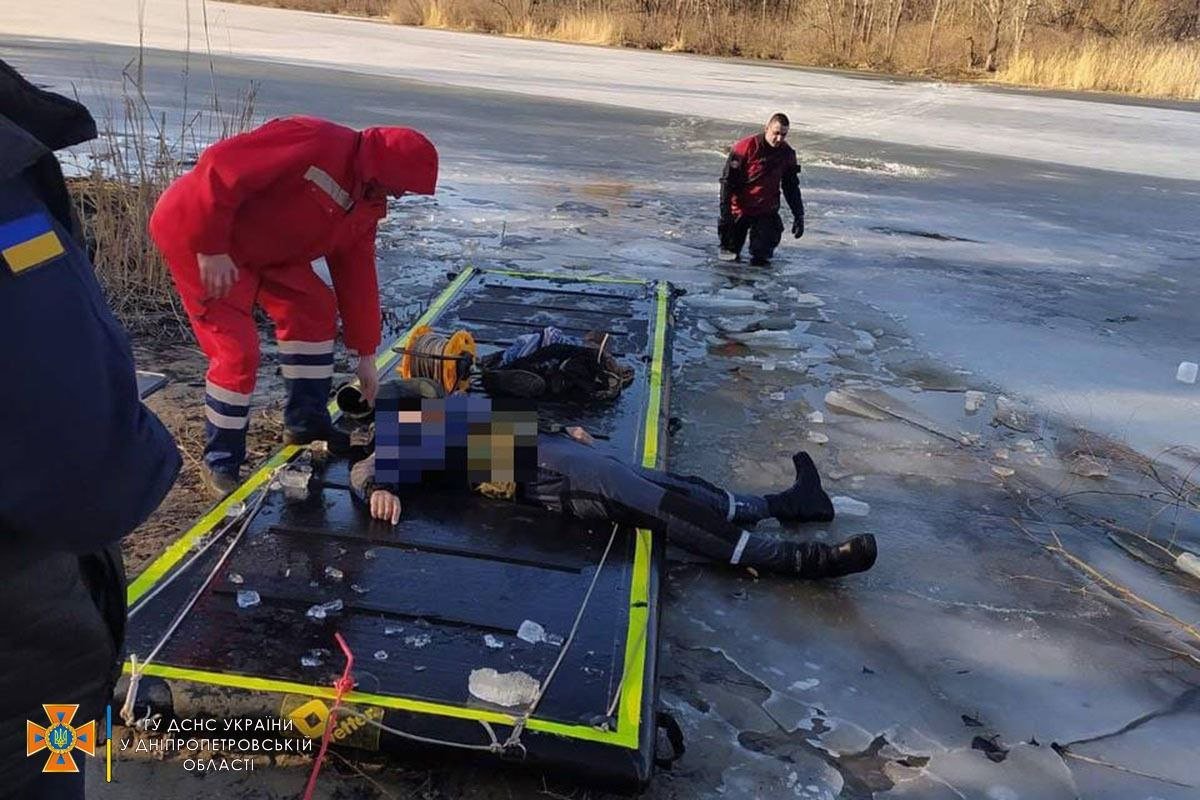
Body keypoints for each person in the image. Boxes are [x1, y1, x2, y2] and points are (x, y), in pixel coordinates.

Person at [0, 60, 181, 798]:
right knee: (53, 748)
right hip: (20, 670)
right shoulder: (6, 192)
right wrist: (156, 450)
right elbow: (88, 474)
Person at [150, 115, 439, 496]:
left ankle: (306, 420)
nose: (401, 196)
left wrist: (366, 355)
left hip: (265, 250)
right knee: (237, 352)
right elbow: (220, 165)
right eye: (402, 187)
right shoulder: (316, 141)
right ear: (383, 169)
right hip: (202, 238)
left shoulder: (367, 202)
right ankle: (221, 462)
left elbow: (357, 275)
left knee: (314, 307)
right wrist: (212, 245)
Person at [349, 382, 876, 580]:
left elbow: (498, 415)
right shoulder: (401, 442)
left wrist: (558, 427)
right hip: (538, 475)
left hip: (548, 448)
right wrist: (378, 490)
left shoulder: (445, 411)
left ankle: (790, 504)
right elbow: (365, 470)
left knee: (668, 484)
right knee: (655, 504)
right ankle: (799, 560)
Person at [718, 112, 805, 267]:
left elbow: (790, 186)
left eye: (783, 135)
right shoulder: (745, 147)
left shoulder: (787, 153)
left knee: (762, 258)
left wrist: (799, 214)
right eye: (776, 133)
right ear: (767, 129)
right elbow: (727, 181)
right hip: (739, 209)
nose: (779, 139)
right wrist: (726, 215)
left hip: (765, 211)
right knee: (729, 257)